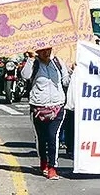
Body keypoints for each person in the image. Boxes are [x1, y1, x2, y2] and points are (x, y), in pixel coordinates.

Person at [21, 47, 70, 179]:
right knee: (41, 138)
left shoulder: (58, 62)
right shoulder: (34, 63)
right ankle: (43, 162)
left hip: (57, 107)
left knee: (53, 137)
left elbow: (65, 81)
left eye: (48, 50)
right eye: (42, 50)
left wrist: (74, 72)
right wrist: (31, 59)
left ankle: (52, 167)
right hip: (38, 108)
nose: (46, 53)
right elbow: (25, 76)